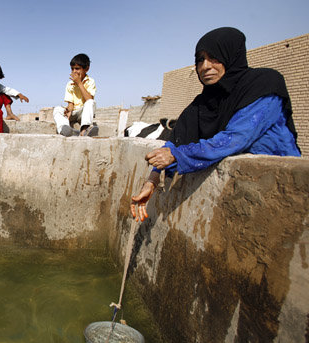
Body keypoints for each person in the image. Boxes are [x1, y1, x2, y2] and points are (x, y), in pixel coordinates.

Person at [131, 27, 301, 222]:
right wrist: (152, 181)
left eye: (214, 58)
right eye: (200, 59)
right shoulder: (202, 104)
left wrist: (176, 155)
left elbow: (235, 138)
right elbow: (175, 142)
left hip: (283, 191)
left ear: (231, 56)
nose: (205, 66)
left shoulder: (263, 84)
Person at [53, 53, 98, 137]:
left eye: (77, 69)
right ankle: (64, 128)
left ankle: (84, 130)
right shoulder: (70, 84)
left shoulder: (90, 81)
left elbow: (89, 99)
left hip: (83, 112)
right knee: (57, 109)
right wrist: (68, 110)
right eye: (72, 69)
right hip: (74, 112)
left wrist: (79, 83)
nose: (74, 71)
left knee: (91, 102)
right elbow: (70, 104)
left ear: (86, 69)